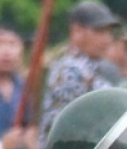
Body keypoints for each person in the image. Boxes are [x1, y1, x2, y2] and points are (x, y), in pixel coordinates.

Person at [39, 0, 121, 139]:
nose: (107, 39)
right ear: (77, 31)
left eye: (109, 32)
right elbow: (112, 107)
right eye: (99, 31)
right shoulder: (71, 69)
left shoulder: (93, 66)